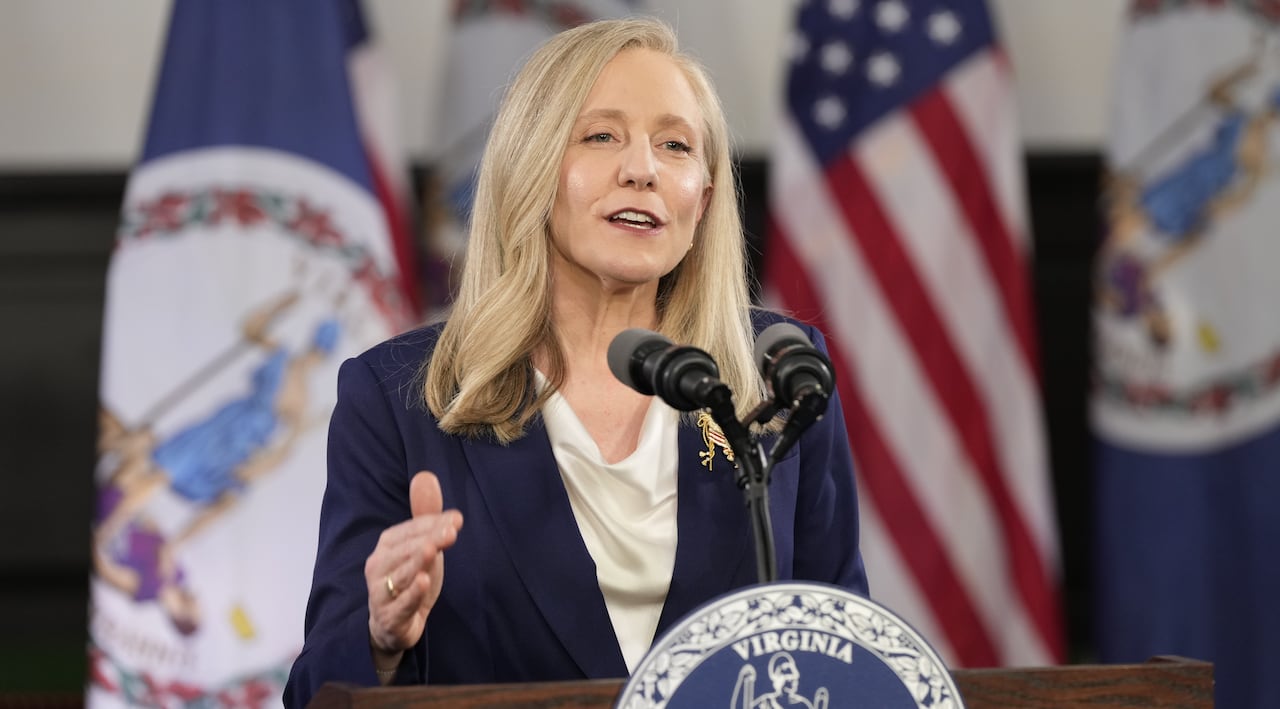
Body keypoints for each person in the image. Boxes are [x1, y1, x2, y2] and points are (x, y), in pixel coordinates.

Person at [284, 17, 867, 705]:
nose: (642, 169)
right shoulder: (403, 396)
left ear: (703, 200)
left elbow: (845, 655)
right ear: (529, 169)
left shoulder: (773, 377)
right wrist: (381, 636)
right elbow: (317, 690)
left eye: (675, 145)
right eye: (601, 135)